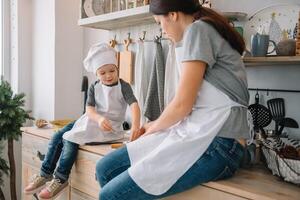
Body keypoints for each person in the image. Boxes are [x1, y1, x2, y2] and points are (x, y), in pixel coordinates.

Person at [95, 0, 251, 199]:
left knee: (109, 195)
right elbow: (187, 101)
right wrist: (155, 125)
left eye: (159, 22)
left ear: (173, 15)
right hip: (200, 131)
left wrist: (153, 127)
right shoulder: (192, 34)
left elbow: (182, 105)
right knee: (105, 168)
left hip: (220, 144)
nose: (162, 29)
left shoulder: (199, 30)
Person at [24, 43, 141, 199]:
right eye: (102, 73)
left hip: (108, 127)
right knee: (57, 136)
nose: (108, 76)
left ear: (117, 68)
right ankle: (45, 173)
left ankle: (61, 178)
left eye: (112, 70)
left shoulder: (123, 86)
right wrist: (98, 118)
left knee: (70, 139)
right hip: (91, 119)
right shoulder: (94, 86)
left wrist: (136, 125)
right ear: (96, 74)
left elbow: (134, 105)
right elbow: (90, 110)